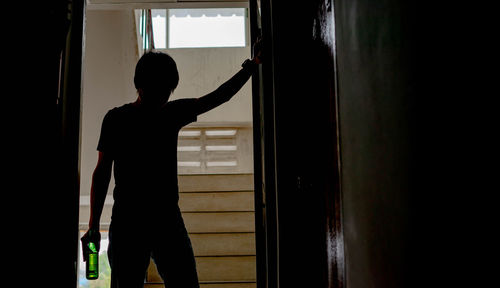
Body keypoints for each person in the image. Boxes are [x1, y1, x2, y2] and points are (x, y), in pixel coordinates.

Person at [81, 40, 262, 288]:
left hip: (132, 220)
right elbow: (219, 97)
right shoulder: (166, 114)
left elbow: (102, 173)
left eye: (167, 90)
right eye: (163, 89)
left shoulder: (120, 118)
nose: (164, 96)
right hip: (157, 220)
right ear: (142, 86)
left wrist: (93, 226)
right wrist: (251, 66)